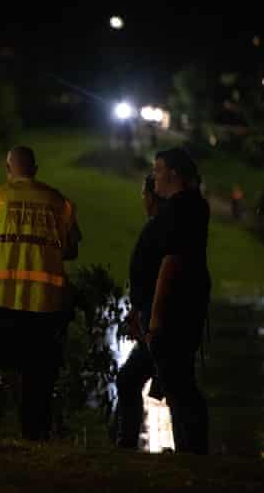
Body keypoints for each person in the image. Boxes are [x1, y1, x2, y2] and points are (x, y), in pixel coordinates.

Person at [0, 145, 81, 440]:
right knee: (38, 381)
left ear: (8, 169)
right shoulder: (58, 202)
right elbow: (71, 249)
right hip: (44, 306)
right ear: (35, 169)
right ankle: (35, 440)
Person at [147, 147, 210, 455]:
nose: (153, 176)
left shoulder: (179, 208)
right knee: (177, 377)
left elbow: (171, 261)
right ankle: (190, 447)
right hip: (190, 301)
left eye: (157, 170)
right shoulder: (194, 206)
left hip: (175, 307)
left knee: (177, 380)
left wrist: (156, 316)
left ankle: (193, 449)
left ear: (173, 174)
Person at [113, 174, 165, 449]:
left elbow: (160, 276)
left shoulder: (159, 229)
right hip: (150, 317)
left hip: (157, 322)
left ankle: (126, 442)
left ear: (151, 196)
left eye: (143, 195)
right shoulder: (158, 228)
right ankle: (126, 440)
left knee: (134, 379)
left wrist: (150, 318)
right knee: (135, 379)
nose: (142, 200)